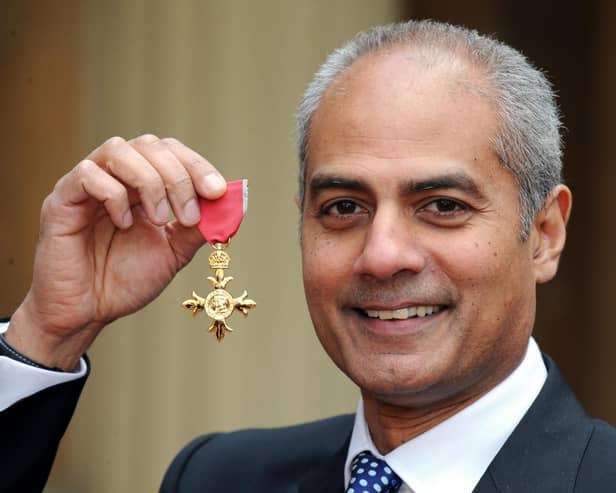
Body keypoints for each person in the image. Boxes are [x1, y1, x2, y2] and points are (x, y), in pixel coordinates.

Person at [1, 19, 615, 493]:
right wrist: (47, 335)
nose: (382, 256)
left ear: (544, 232)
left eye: (442, 205)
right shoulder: (218, 479)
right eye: (344, 208)